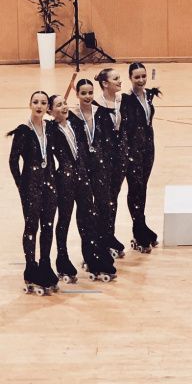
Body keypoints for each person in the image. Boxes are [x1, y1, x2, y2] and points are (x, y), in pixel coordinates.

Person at [47, 95, 116, 282]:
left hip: (83, 177)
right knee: (65, 220)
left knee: (89, 217)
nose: (64, 107)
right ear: (50, 111)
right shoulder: (51, 130)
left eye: (64, 103)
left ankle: (92, 257)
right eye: (58, 105)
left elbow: (84, 150)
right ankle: (62, 260)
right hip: (65, 181)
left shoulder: (75, 125)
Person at [8, 91, 59, 295]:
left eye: (43, 103)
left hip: (50, 184)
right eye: (35, 102)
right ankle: (31, 268)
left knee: (48, 226)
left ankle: (45, 265)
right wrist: (21, 184)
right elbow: (13, 161)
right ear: (30, 104)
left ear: (47, 107)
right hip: (30, 185)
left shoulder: (51, 128)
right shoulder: (23, 131)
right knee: (32, 226)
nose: (39, 105)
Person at [73, 79, 125, 259]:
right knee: (86, 210)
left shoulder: (101, 113)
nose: (87, 96)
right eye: (83, 93)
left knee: (104, 205)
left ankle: (103, 243)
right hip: (81, 169)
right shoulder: (72, 116)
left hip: (101, 166)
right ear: (77, 94)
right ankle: (89, 249)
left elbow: (109, 140)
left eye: (90, 93)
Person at [121, 62, 160, 252]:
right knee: (135, 188)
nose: (141, 80)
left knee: (142, 187)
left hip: (148, 147)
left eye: (143, 76)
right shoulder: (125, 100)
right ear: (130, 78)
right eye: (137, 77)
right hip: (132, 149)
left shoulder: (149, 95)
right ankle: (138, 229)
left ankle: (141, 226)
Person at [94, 68, 127, 254]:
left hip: (119, 157)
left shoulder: (122, 101)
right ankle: (100, 239)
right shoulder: (96, 105)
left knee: (113, 197)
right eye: (116, 79)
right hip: (103, 159)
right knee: (103, 200)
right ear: (105, 83)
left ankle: (109, 235)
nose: (120, 81)